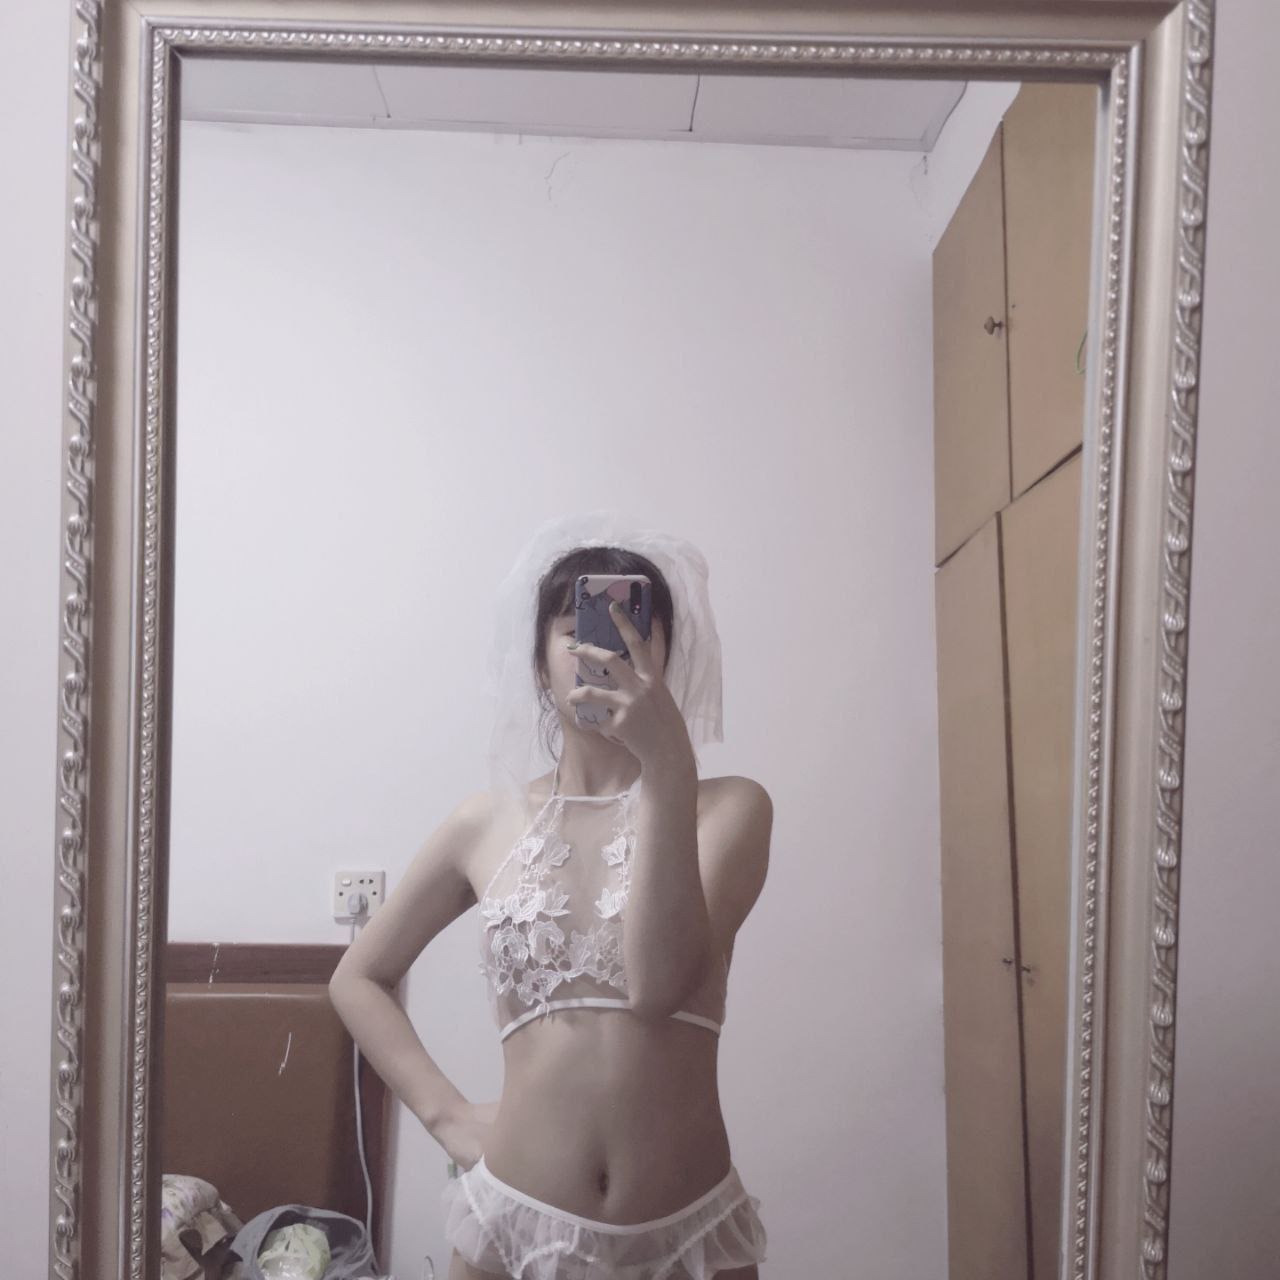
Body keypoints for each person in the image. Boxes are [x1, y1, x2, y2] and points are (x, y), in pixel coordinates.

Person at [330, 513, 771, 1279]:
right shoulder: (485, 822)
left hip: (691, 1232)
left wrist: (667, 769)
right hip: (511, 1224)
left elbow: (658, 988)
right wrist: (446, 1114)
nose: (605, 648)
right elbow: (357, 977)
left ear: (666, 657)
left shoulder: (729, 808)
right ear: (538, 663)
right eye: (578, 629)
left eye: (636, 630)